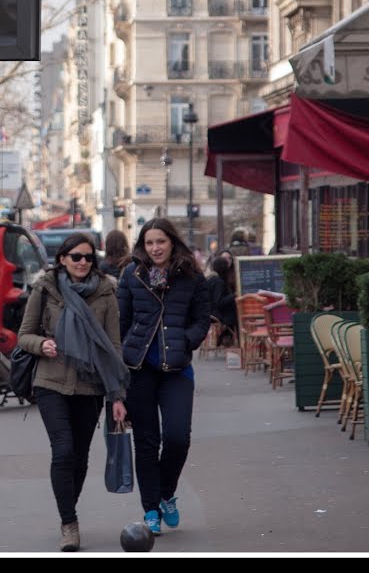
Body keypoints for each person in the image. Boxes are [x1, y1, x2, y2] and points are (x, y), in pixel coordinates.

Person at [17, 232, 129, 552]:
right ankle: (69, 522)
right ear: (63, 259)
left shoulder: (106, 292)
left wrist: (118, 395)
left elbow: (113, 346)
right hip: (51, 382)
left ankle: (68, 508)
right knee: (63, 451)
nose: (82, 262)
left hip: (90, 385)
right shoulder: (46, 288)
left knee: (79, 458)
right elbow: (24, 336)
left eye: (88, 257)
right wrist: (43, 344)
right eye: (76, 256)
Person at [117, 218, 210, 537]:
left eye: (161, 242)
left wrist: (187, 340)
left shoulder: (191, 275)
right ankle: (150, 509)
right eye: (149, 243)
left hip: (177, 368)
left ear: (172, 243)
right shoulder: (132, 274)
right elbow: (121, 321)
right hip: (139, 369)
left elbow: (202, 318)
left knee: (177, 437)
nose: (155, 248)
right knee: (146, 442)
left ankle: (166, 493)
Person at [205, 256, 238, 344]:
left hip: (209, 312)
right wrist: (234, 295)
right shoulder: (218, 282)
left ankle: (225, 337)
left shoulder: (211, 279)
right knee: (237, 315)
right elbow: (219, 302)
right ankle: (229, 337)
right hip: (217, 314)